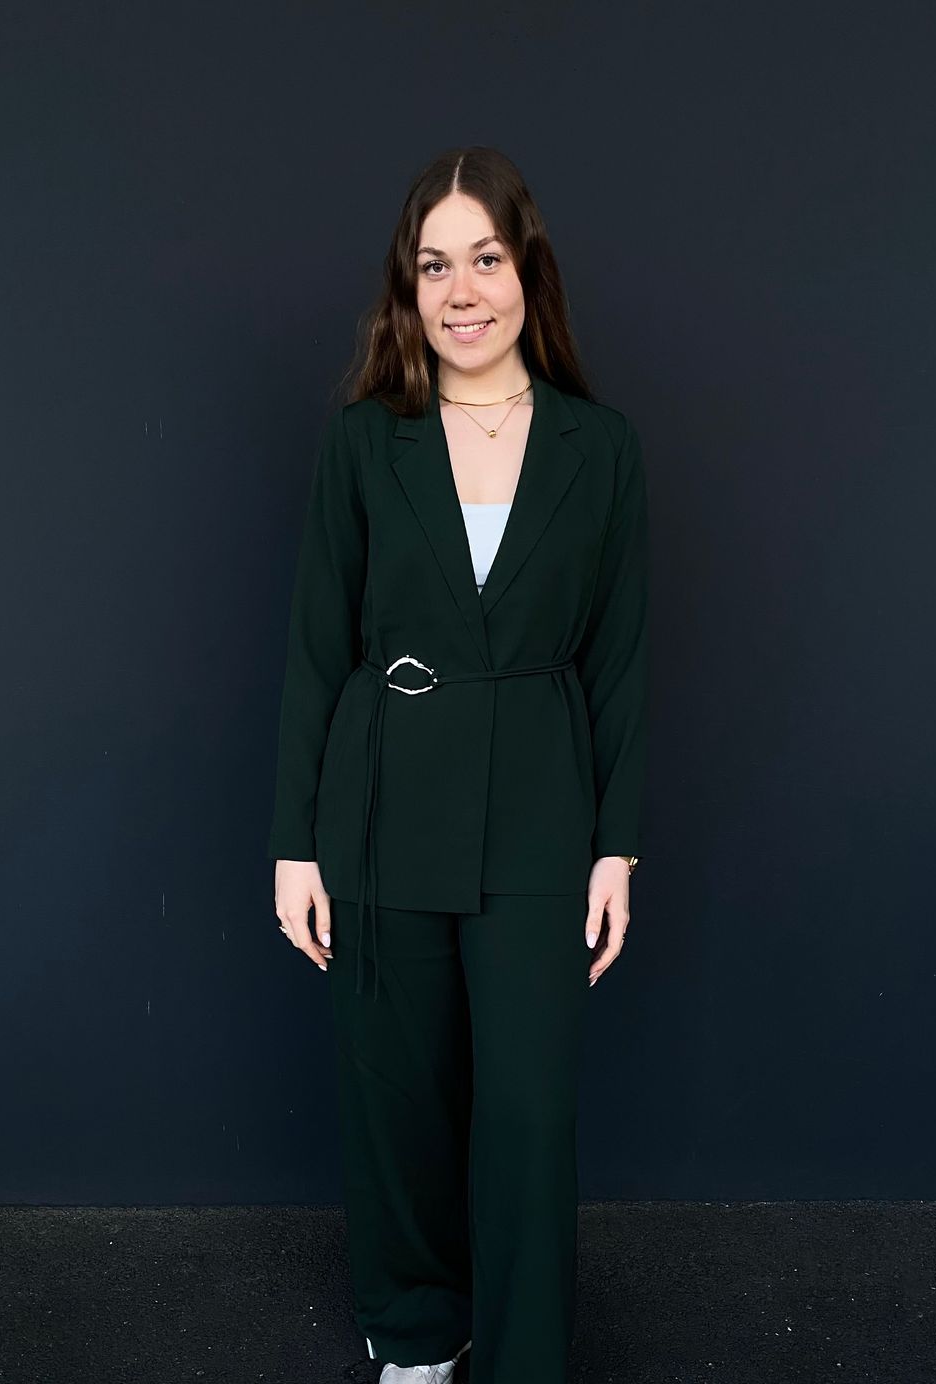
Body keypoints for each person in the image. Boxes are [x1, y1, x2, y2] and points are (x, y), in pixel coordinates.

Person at [267, 145, 649, 1384]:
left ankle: (527, 1354)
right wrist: (293, 844)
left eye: (485, 258)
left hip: (542, 811)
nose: (461, 289)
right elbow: (319, 650)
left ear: (527, 269)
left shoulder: (601, 450)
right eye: (434, 264)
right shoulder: (363, 443)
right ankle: (419, 1338)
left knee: (530, 1114)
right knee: (400, 1103)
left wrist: (617, 845)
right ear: (407, 287)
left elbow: (623, 663)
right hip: (381, 808)